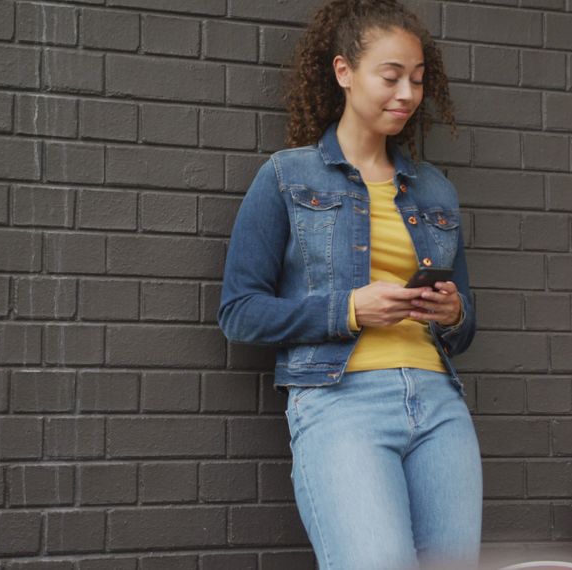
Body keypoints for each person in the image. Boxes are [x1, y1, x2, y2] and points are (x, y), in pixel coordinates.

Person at [217, 0, 482, 568]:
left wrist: (454, 312)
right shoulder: (288, 177)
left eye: (417, 79)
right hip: (340, 404)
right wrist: (350, 309)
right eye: (391, 77)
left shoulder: (434, 189)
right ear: (344, 72)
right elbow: (239, 312)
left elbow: (464, 325)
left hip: (439, 406)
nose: (407, 94)